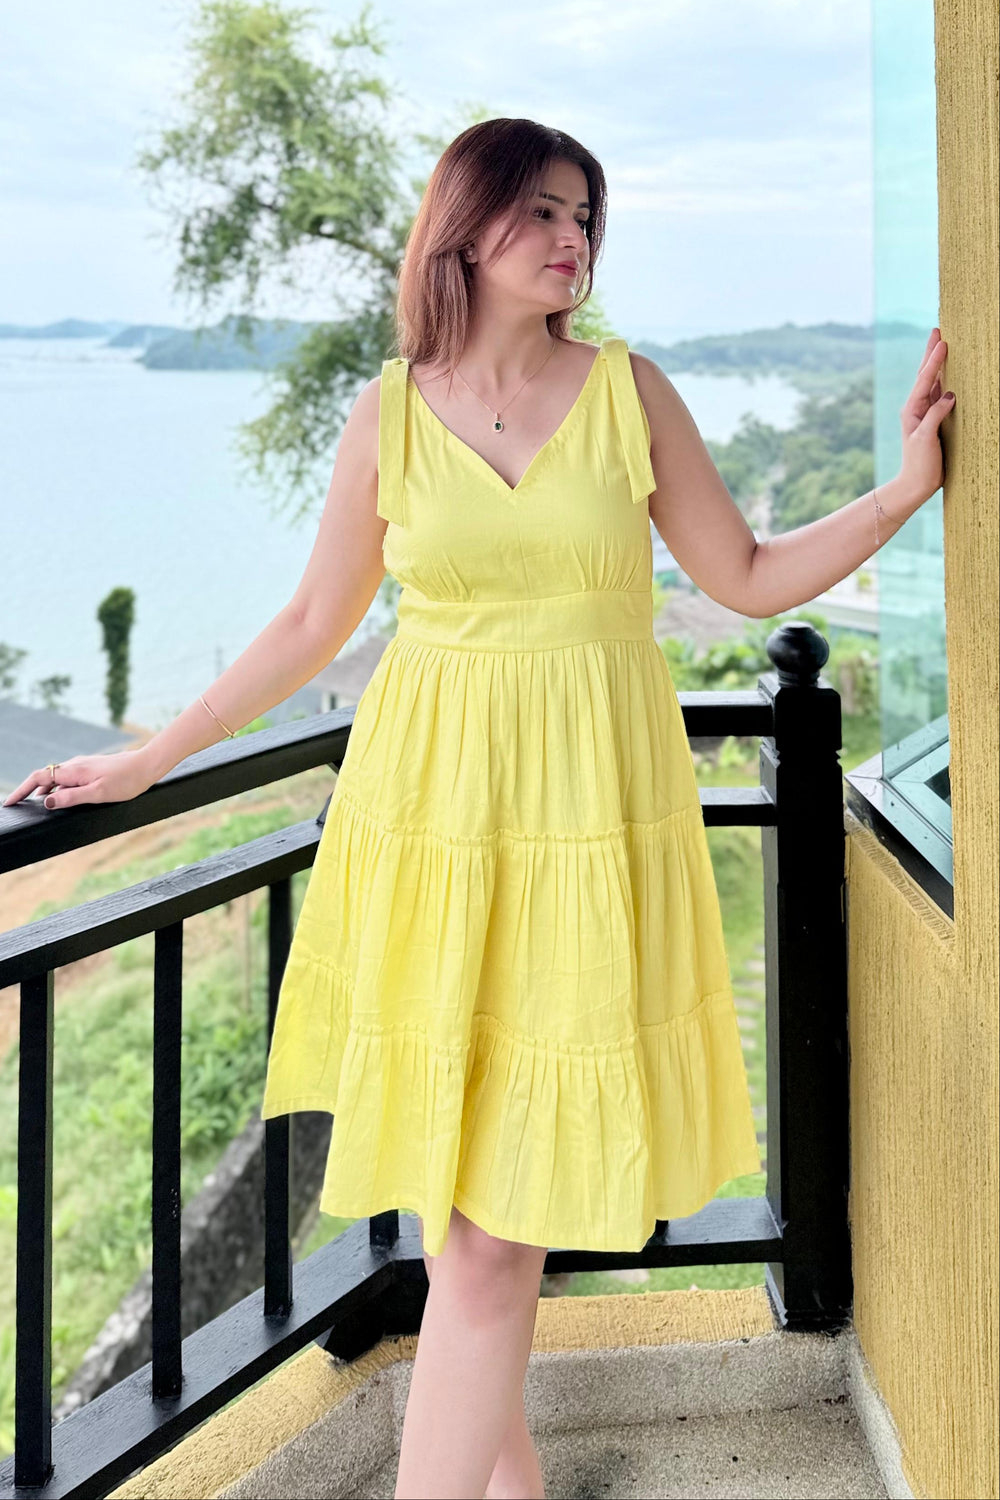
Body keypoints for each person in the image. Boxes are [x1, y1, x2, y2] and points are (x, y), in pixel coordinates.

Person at [5, 118, 955, 1500]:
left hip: (583, 826)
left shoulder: (629, 393)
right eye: (543, 213)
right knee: (473, 1233)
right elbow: (307, 622)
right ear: (468, 226)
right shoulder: (392, 408)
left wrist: (909, 491)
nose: (573, 239)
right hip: (431, 824)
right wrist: (150, 759)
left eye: (585, 217)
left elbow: (746, 572)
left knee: (494, 1238)